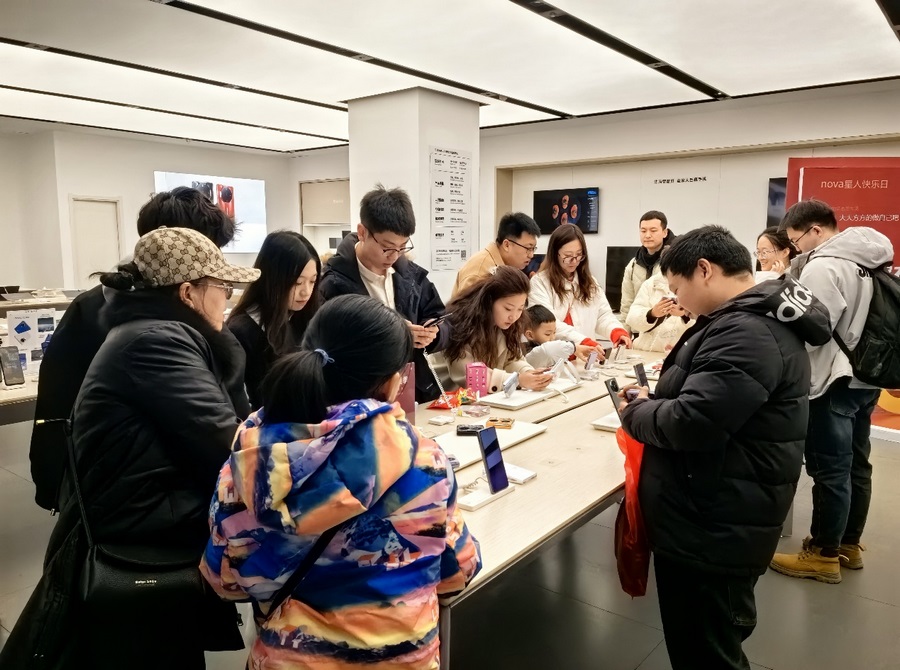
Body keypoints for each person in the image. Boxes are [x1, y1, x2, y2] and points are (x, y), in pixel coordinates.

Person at [2, 227, 260, 668]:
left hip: (145, 520)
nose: (229, 298)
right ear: (188, 293)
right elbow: (225, 442)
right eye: (223, 287)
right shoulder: (157, 341)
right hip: (138, 537)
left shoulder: (149, 332)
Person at [201, 294, 481, 669]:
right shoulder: (424, 461)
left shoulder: (249, 461)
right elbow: (457, 572)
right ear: (391, 383)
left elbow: (224, 581)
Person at [619, 225, 831, 670]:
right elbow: (710, 401)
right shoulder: (747, 318)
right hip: (717, 510)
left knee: (706, 653)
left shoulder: (747, 330)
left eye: (678, 288)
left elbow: (694, 423)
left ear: (704, 270)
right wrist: (659, 399)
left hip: (713, 528)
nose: (677, 299)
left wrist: (636, 413)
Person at [28, 186, 246, 514]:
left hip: (159, 489)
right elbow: (59, 400)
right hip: (132, 495)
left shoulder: (175, 317)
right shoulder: (138, 328)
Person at [769, 199, 893, 583]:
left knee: (829, 469)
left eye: (796, 241)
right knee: (857, 463)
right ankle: (847, 544)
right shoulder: (870, 260)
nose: (795, 249)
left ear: (815, 230)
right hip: (866, 376)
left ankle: (822, 554)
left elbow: (812, 329)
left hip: (832, 380)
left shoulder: (824, 266)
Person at [320, 185, 448, 402]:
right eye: (387, 247)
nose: (394, 255)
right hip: (359, 397)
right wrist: (395, 335)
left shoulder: (411, 276)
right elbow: (330, 348)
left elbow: (444, 322)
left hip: (413, 391)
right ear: (362, 232)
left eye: (402, 247)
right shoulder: (333, 284)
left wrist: (433, 333)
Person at [227, 230, 321, 409]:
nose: (306, 292)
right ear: (273, 279)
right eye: (297, 282)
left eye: (313, 281)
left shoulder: (306, 316)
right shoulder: (243, 330)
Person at [433, 266, 554, 394]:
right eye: (508, 308)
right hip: (449, 397)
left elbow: (512, 359)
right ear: (489, 301)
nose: (514, 316)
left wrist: (529, 373)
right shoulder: (462, 324)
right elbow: (471, 376)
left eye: (520, 309)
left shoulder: (507, 324)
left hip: (487, 396)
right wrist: (518, 380)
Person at [529, 224, 631, 350]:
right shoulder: (540, 283)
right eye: (567, 256)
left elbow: (603, 315)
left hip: (588, 355)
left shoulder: (590, 282)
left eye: (578, 255)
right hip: (556, 356)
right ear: (555, 254)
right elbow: (548, 324)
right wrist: (583, 341)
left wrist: (616, 332)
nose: (574, 261)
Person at [451, 212, 541, 298]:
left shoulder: (510, 269)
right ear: (507, 245)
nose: (531, 255)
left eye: (533, 249)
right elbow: (468, 308)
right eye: (528, 248)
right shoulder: (481, 270)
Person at [619, 210, 675, 319]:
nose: (647, 235)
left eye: (653, 230)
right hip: (639, 325)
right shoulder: (633, 265)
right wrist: (624, 328)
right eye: (643, 231)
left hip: (668, 327)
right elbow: (626, 305)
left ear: (665, 232)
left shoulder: (675, 262)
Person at [625, 269, 693, 353]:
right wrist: (651, 314)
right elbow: (631, 318)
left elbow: (703, 323)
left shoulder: (694, 283)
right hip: (646, 351)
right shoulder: (651, 283)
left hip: (679, 352)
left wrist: (684, 315)